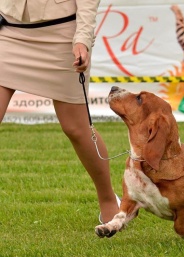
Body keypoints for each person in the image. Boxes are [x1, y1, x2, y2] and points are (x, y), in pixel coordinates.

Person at [0, 0, 120, 224]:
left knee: (76, 128)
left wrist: (82, 40)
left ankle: (108, 200)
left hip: (62, 36)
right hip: (9, 31)